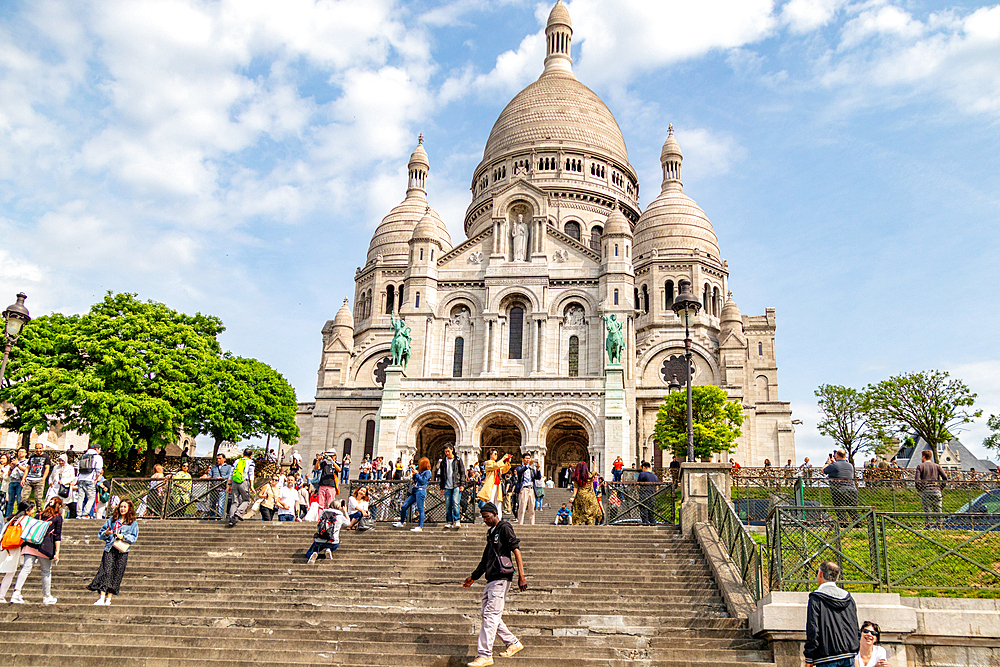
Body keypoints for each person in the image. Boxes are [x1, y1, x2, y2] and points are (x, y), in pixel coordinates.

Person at [462, 502, 527, 667]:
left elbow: (516, 549)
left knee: (490, 615)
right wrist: (473, 577)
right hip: (491, 579)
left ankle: (485, 655)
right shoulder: (491, 533)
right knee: (488, 614)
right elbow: (485, 558)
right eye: (483, 517)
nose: (484, 520)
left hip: (501, 578)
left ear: (494, 513)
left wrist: (522, 575)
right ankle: (512, 643)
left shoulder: (505, 527)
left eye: (486, 516)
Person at [804, 561, 859, 667]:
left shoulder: (816, 599)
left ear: (820, 574)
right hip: (849, 656)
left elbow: (813, 629)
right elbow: (855, 626)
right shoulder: (848, 598)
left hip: (826, 658)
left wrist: (809, 657)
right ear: (837, 578)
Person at [10, 496, 63, 605]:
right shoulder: (57, 517)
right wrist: (57, 552)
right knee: (46, 572)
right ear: (59, 506)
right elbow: (57, 536)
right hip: (45, 547)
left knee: (25, 569)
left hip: (30, 544)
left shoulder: (38, 515)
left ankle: (16, 593)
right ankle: (46, 596)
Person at [88, 499, 139, 606]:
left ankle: (109, 598)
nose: (122, 509)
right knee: (106, 571)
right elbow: (100, 534)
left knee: (117, 573)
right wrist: (106, 533)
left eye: (125, 507)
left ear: (129, 508)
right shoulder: (112, 520)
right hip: (110, 548)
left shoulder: (133, 523)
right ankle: (101, 597)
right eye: (121, 506)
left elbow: (134, 538)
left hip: (121, 551)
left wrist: (123, 536)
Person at [1, 501, 33, 603]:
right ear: (27, 511)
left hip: (5, 546)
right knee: (10, 572)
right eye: (32, 509)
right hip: (15, 547)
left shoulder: (12, 519)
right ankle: (2, 595)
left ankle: (4, 595)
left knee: (9, 572)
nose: (33, 511)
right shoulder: (27, 519)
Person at [394, 457, 432, 532]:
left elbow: (423, 481)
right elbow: (415, 480)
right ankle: (401, 522)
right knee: (404, 506)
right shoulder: (421, 472)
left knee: (420, 509)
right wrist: (414, 473)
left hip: (421, 491)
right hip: (415, 491)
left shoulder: (428, 472)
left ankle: (420, 527)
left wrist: (417, 474)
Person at [823, 450, 858, 525]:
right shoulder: (850, 465)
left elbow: (823, 471)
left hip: (838, 490)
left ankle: (844, 525)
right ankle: (858, 524)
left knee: (840, 509)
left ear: (837, 456)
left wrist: (827, 463)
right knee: (853, 509)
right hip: (852, 489)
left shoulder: (834, 465)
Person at [914, 449, 948, 523]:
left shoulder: (920, 466)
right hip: (936, 489)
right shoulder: (937, 466)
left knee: (927, 509)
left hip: (925, 490)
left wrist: (919, 489)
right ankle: (940, 525)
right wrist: (941, 487)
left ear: (923, 457)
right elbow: (945, 477)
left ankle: (928, 525)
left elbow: (917, 480)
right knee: (938, 509)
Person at [437, 446, 465, 529]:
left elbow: (462, 473)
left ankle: (457, 520)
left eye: (448, 451)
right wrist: (441, 487)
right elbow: (442, 475)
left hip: (456, 484)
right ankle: (449, 521)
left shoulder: (458, 460)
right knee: (448, 504)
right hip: (447, 486)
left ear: (452, 450)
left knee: (455, 503)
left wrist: (462, 484)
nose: (447, 453)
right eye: (445, 451)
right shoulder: (443, 462)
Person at [227, 449, 256, 527]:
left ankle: (231, 519)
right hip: (244, 481)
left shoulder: (237, 461)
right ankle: (238, 512)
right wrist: (252, 486)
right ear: (251, 456)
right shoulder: (250, 462)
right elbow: (251, 474)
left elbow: (231, 473)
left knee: (234, 501)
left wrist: (229, 484)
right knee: (246, 500)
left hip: (234, 482)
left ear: (243, 454)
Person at [76, 443, 104, 519]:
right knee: (91, 497)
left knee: (80, 497)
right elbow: (98, 469)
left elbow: (78, 468)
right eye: (100, 449)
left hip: (81, 478)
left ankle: (78, 514)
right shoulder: (97, 457)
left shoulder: (83, 456)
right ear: (97, 449)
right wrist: (96, 477)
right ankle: (85, 514)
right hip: (90, 479)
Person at [514, 453, 541, 526]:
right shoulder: (519, 468)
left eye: (529, 458)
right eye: (526, 458)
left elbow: (538, 477)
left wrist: (538, 469)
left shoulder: (531, 470)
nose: (528, 460)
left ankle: (532, 524)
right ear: (522, 459)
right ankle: (520, 523)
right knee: (522, 508)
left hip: (531, 489)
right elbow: (519, 472)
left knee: (532, 509)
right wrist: (528, 465)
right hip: (524, 489)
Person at [203, 454, 233, 520]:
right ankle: (212, 518)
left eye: (220, 458)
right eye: (217, 458)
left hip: (222, 489)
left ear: (224, 459)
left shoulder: (228, 467)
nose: (218, 460)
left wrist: (223, 478)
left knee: (221, 505)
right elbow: (209, 475)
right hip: (214, 489)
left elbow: (230, 475)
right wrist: (205, 477)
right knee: (212, 504)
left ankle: (220, 518)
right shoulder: (214, 468)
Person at [570, 461, 600, 525]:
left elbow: (575, 489)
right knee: (589, 515)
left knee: (578, 513)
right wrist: (595, 464)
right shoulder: (590, 475)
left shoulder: (577, 477)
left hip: (580, 497)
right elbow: (594, 471)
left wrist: (572, 497)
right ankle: (590, 528)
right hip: (590, 497)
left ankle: (578, 524)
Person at [6, 448, 27, 518]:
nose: (20, 453)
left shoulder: (26, 461)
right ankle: (8, 516)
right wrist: (11, 467)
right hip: (12, 482)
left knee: (19, 500)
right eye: (19, 452)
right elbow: (9, 474)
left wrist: (17, 464)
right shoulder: (14, 461)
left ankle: (19, 516)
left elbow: (26, 470)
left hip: (20, 482)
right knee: (10, 501)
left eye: (22, 452)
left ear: (25, 453)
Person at [637, 461, 659, 525]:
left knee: (643, 512)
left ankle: (645, 524)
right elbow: (657, 488)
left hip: (643, 495)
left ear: (644, 467)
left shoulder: (642, 474)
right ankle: (653, 524)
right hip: (651, 496)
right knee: (651, 513)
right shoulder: (655, 476)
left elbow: (638, 485)